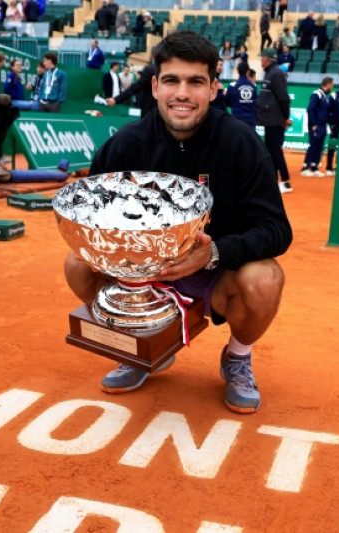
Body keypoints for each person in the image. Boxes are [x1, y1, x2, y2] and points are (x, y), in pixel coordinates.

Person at [65, 31, 293, 414]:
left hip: (217, 274)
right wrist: (134, 261)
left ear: (214, 89)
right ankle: (144, 344)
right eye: (172, 80)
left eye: (195, 82)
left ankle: (237, 357)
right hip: (142, 275)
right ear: (155, 86)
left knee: (265, 279)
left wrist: (214, 252)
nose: (182, 94)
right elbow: (93, 221)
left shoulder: (241, 143)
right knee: (77, 264)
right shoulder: (125, 145)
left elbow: (276, 230)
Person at [257, 47, 293, 194]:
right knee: (271, 150)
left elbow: (283, 97)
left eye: (262, 58)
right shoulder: (270, 73)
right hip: (269, 120)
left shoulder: (276, 73)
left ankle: (286, 182)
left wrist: (285, 117)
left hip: (275, 120)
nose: (261, 60)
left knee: (275, 151)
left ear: (267, 59)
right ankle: (273, 180)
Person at [301, 76, 333, 176]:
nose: (332, 87)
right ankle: (305, 168)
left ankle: (314, 167)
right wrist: (313, 124)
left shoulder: (325, 97)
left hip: (323, 126)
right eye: (331, 85)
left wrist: (330, 123)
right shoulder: (317, 94)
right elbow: (310, 109)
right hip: (316, 125)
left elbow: (326, 113)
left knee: (319, 147)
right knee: (313, 145)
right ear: (328, 84)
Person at [226, 62, 257, 127]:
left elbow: (227, 102)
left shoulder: (232, 86)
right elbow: (255, 103)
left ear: (238, 71)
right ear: (248, 71)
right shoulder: (253, 86)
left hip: (237, 120)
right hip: (250, 121)